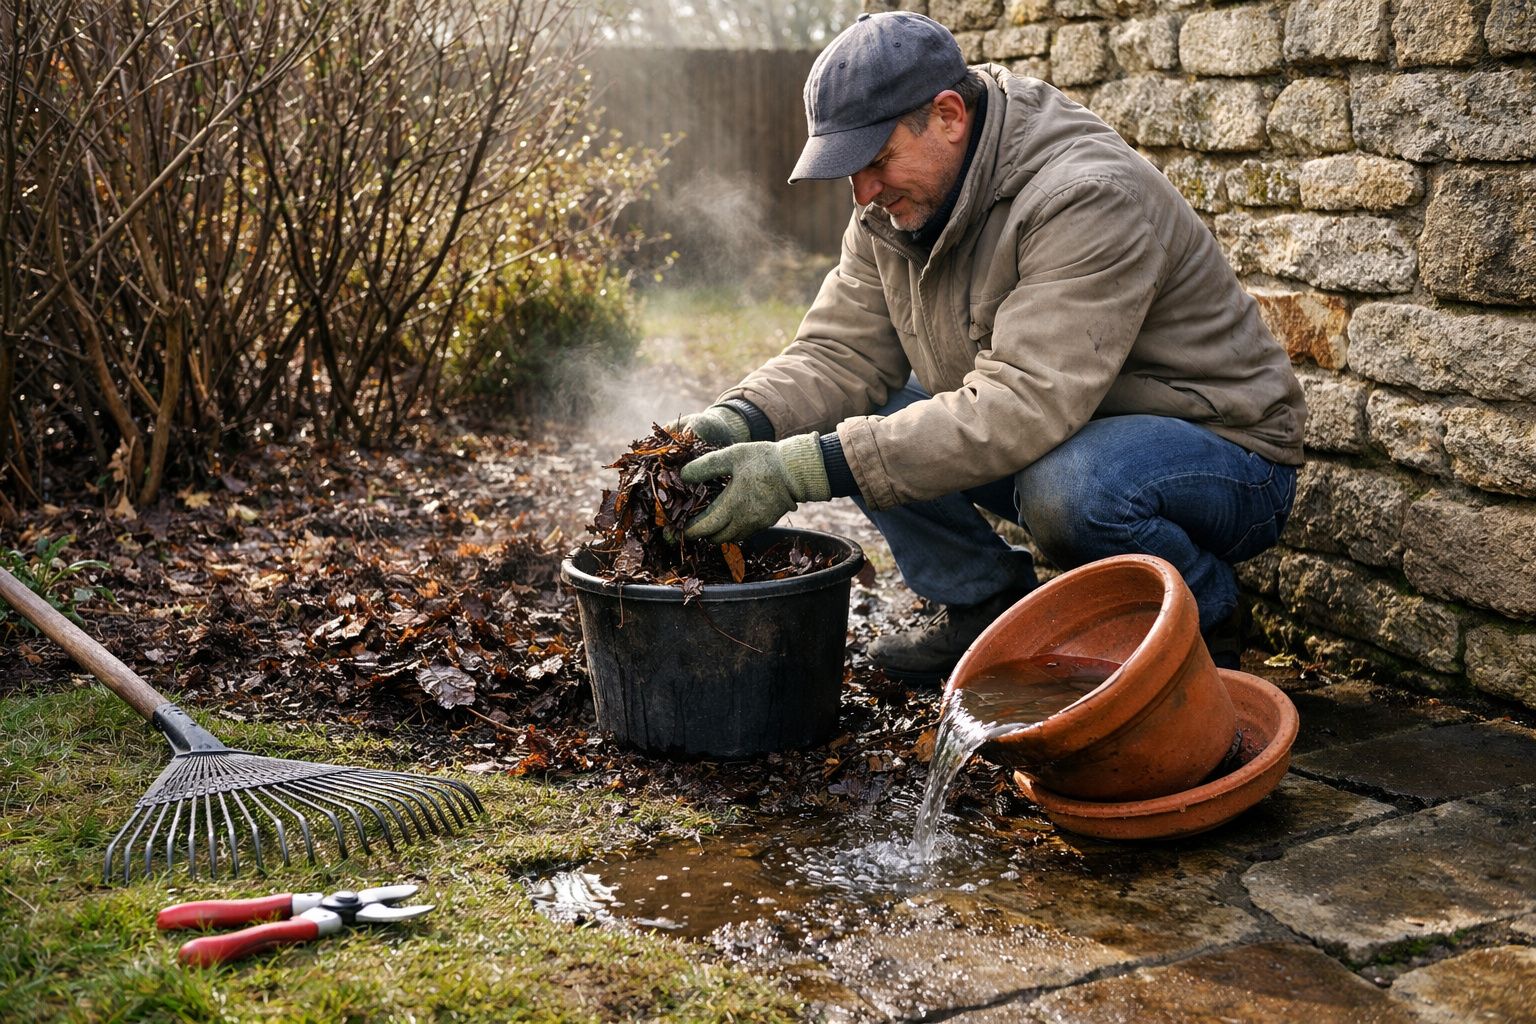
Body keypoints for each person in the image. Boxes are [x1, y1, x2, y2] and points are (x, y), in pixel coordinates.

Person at [671, 11, 1305, 679]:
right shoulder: (894, 208)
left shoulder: (1083, 193)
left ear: (947, 115)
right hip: (1068, 429)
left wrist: (804, 470)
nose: (862, 192)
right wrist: (734, 420)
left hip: (1225, 453)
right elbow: (839, 354)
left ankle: (1206, 612)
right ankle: (983, 606)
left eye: (877, 160)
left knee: (1070, 488)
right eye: (851, 169)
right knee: (860, 416)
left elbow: (1024, 400)